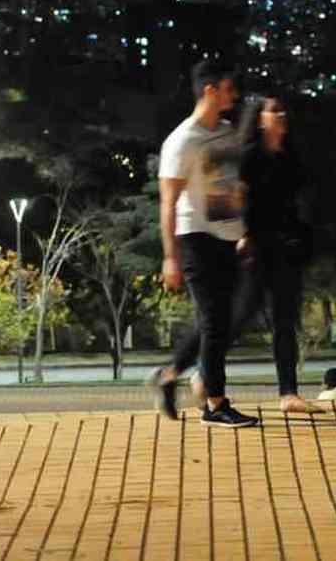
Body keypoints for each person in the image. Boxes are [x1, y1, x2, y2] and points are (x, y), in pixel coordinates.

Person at [148, 59, 259, 428]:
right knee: (214, 322)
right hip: (195, 238)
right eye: (229, 88)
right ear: (210, 90)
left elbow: (230, 185)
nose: (235, 95)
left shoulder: (226, 132)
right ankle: (215, 404)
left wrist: (242, 230)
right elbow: (167, 202)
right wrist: (170, 257)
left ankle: (169, 375)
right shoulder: (182, 141)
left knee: (219, 322)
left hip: (227, 237)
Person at [232, 95, 321, 415]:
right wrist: (242, 235)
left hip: (286, 248)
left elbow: (300, 199)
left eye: (283, 109)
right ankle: (206, 373)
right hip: (256, 247)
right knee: (242, 317)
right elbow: (236, 198)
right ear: (259, 118)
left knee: (285, 321)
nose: (281, 114)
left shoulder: (289, 156)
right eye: (273, 110)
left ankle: (289, 394)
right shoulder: (249, 157)